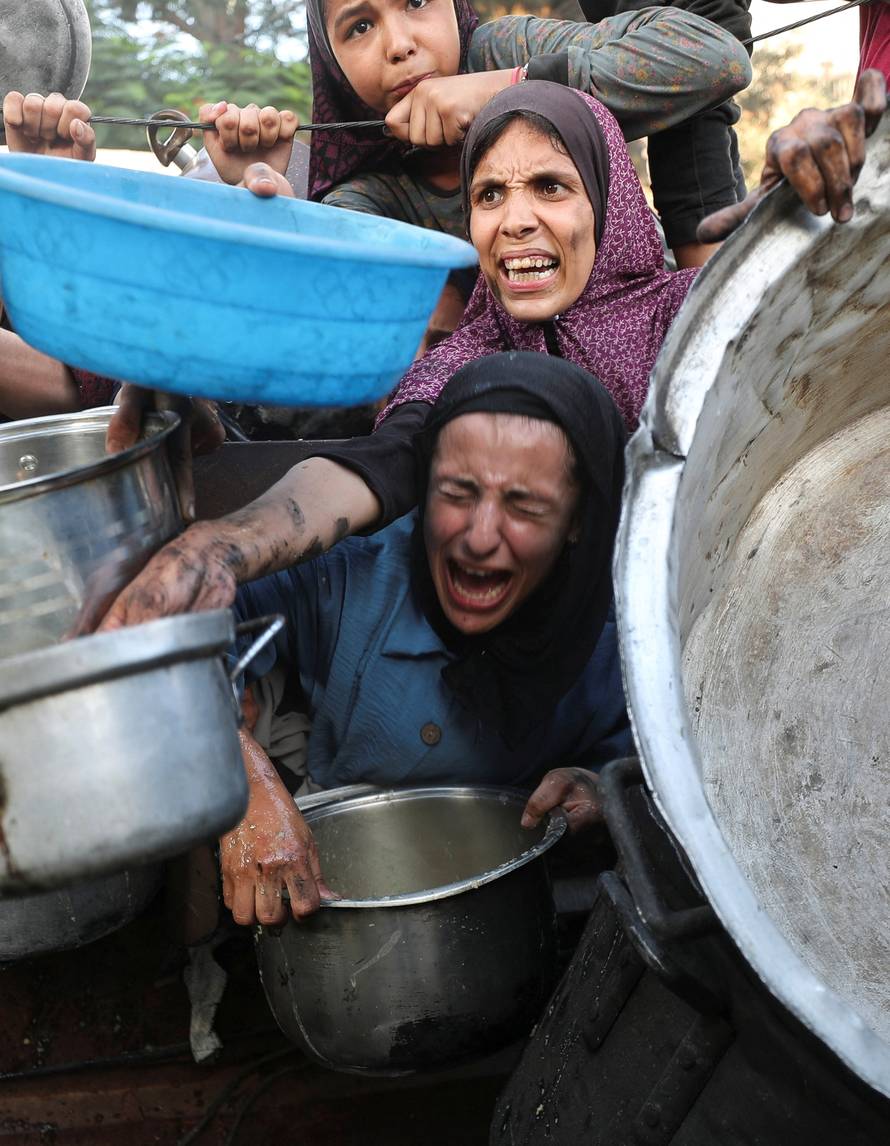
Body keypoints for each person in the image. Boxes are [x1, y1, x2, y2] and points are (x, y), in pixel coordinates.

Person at [94, 68, 887, 632]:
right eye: (488, 195)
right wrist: (226, 544)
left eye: (550, 186)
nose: (514, 222)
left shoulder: (693, 323)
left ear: (608, 201)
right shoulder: (464, 357)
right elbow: (384, 465)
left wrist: (833, 200)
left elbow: (829, 346)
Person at [221, 351, 631, 925]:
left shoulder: (615, 638)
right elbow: (184, 626)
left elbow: (649, 769)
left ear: (579, 522)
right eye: (456, 493)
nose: (478, 538)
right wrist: (242, 786)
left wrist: (595, 786)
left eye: (525, 505)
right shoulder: (354, 566)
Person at [201, 0, 751, 274]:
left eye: (416, 0)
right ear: (332, 64)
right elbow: (327, 320)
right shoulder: (368, 194)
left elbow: (717, 59)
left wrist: (513, 85)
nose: (399, 44)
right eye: (360, 27)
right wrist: (278, 208)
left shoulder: (501, 50)